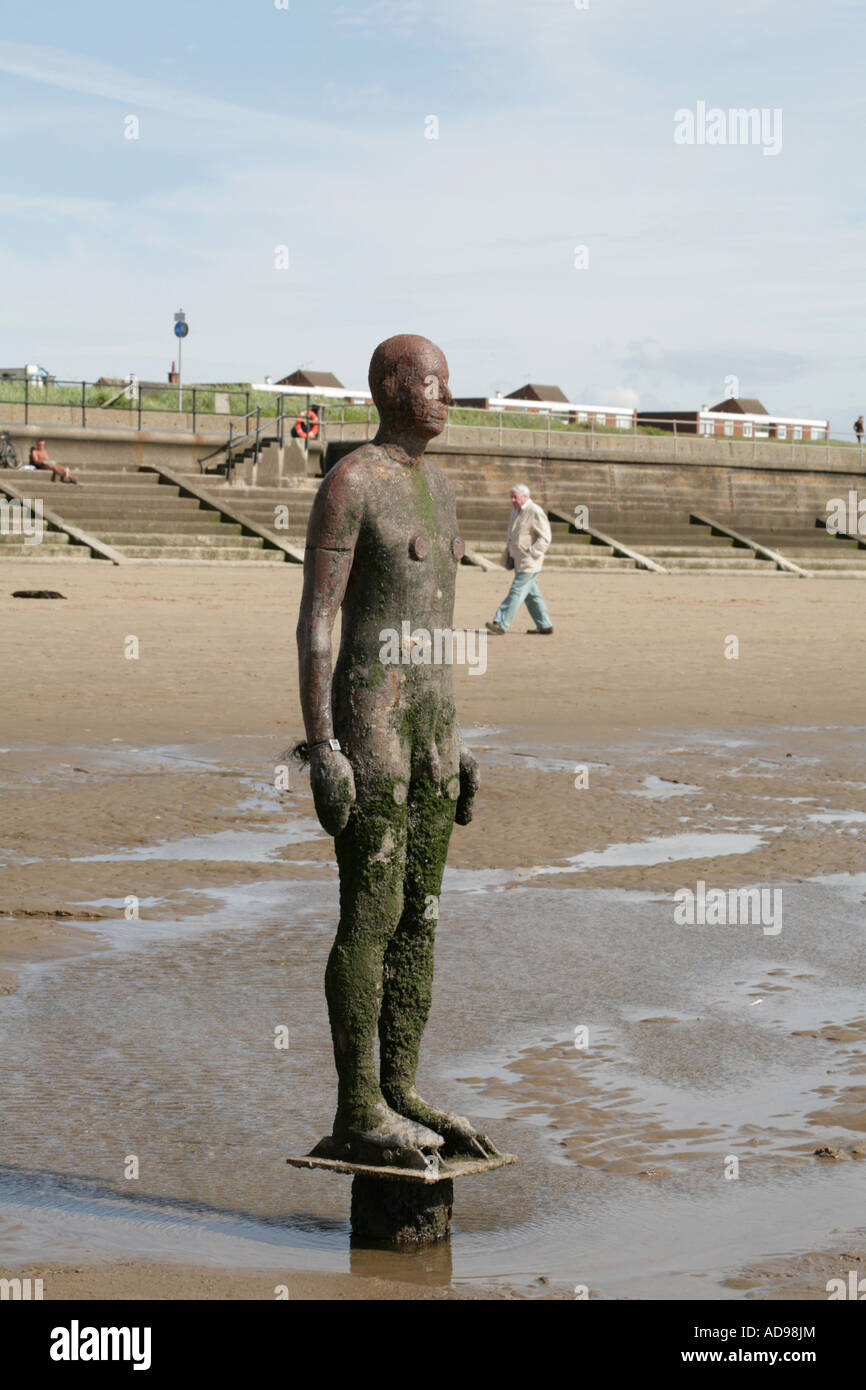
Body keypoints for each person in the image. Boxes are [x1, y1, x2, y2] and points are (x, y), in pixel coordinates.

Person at [296, 333, 497, 1168]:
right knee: (371, 917)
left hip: (433, 735)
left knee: (424, 919)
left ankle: (402, 1086)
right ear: (388, 387)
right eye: (433, 382)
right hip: (372, 729)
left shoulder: (441, 491)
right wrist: (323, 747)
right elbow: (319, 621)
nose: (447, 395)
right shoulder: (352, 482)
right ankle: (357, 1106)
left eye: (448, 382)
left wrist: (458, 742)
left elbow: (438, 628)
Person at [486, 484, 553, 635]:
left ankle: (500, 623)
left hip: (529, 562)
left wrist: (532, 553)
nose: (512, 500)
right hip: (518, 560)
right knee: (532, 595)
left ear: (525, 496)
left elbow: (545, 538)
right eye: (511, 497)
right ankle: (545, 625)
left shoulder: (535, 511)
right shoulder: (516, 511)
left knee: (516, 591)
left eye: (515, 497)